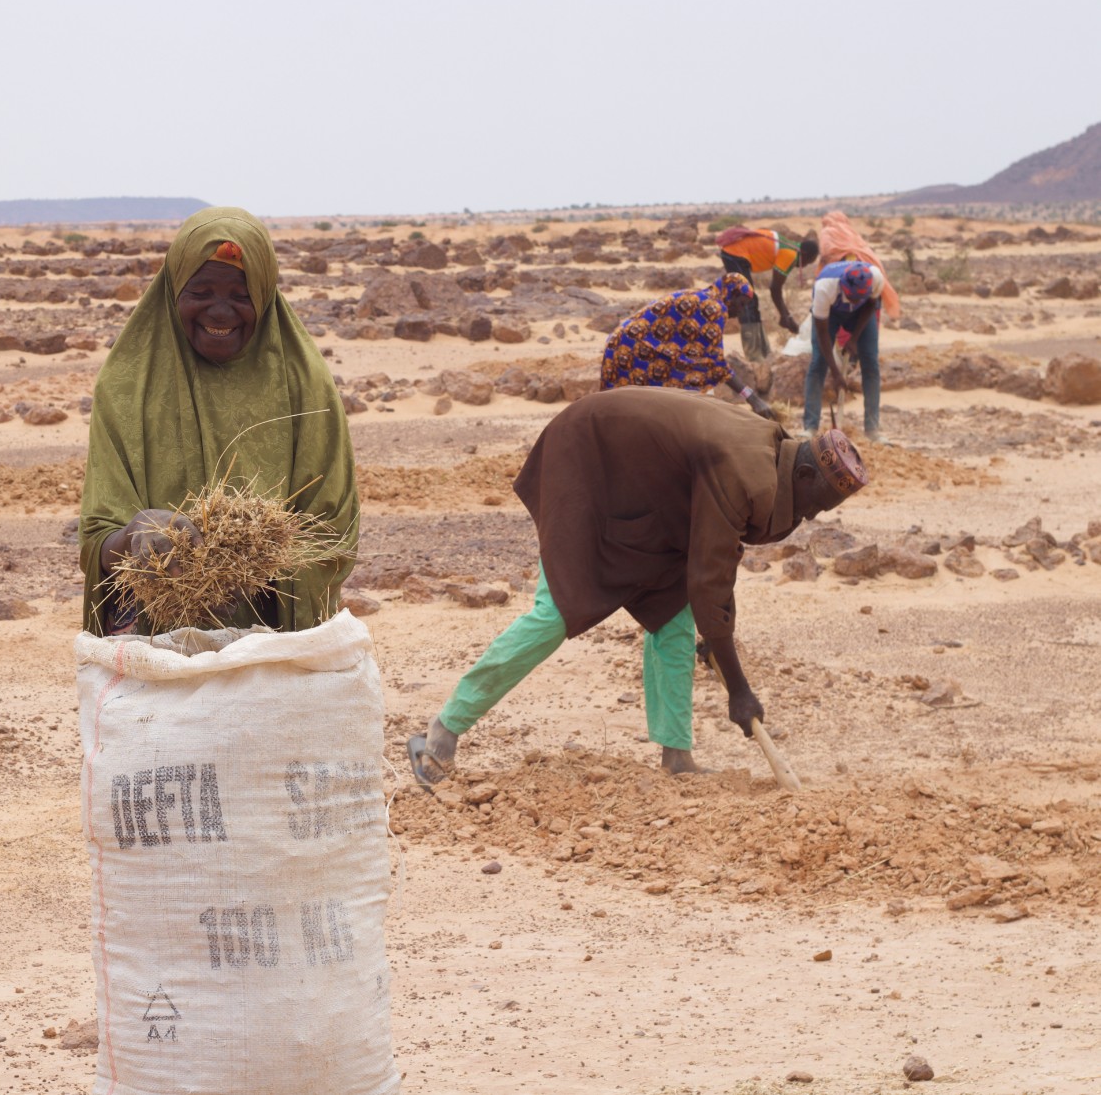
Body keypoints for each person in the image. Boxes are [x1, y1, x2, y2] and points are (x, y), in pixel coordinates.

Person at [409, 388, 866, 781]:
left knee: (674, 618)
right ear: (804, 474)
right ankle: (444, 729)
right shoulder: (746, 471)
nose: (811, 516)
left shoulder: (775, 451)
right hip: (588, 464)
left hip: (646, 499)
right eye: (816, 504)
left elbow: (712, 572)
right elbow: (711, 582)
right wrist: (740, 691)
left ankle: (676, 755)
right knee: (556, 613)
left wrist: (715, 637)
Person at [80, 207, 358, 635]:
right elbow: (98, 536)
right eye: (202, 291)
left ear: (264, 295)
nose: (221, 312)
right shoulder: (125, 386)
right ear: (174, 291)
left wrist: (249, 560)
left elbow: (331, 526)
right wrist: (138, 535)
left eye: (242, 296)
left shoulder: (305, 384)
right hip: (158, 640)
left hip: (273, 643)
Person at [600, 273, 776, 419]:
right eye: (742, 304)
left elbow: (698, 356)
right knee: (631, 410)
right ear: (732, 294)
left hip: (626, 344)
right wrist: (752, 398)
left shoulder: (703, 297)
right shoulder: (715, 308)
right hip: (631, 349)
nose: (741, 312)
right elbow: (717, 364)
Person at [803, 260, 885, 441]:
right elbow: (823, 333)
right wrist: (835, 372)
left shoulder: (876, 278)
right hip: (831, 314)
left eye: (859, 298)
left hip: (861, 315)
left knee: (870, 363)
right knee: (818, 363)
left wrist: (854, 339)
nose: (855, 301)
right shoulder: (825, 287)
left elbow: (871, 305)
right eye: (853, 297)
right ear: (844, 287)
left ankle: (872, 430)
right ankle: (810, 427)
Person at [716, 226, 819, 360]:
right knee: (746, 301)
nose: (803, 267)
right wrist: (785, 316)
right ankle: (754, 355)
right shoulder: (790, 254)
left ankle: (763, 352)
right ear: (804, 253)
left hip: (735, 252)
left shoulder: (790, 246)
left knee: (752, 300)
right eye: (806, 263)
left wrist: (786, 316)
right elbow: (775, 288)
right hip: (734, 254)